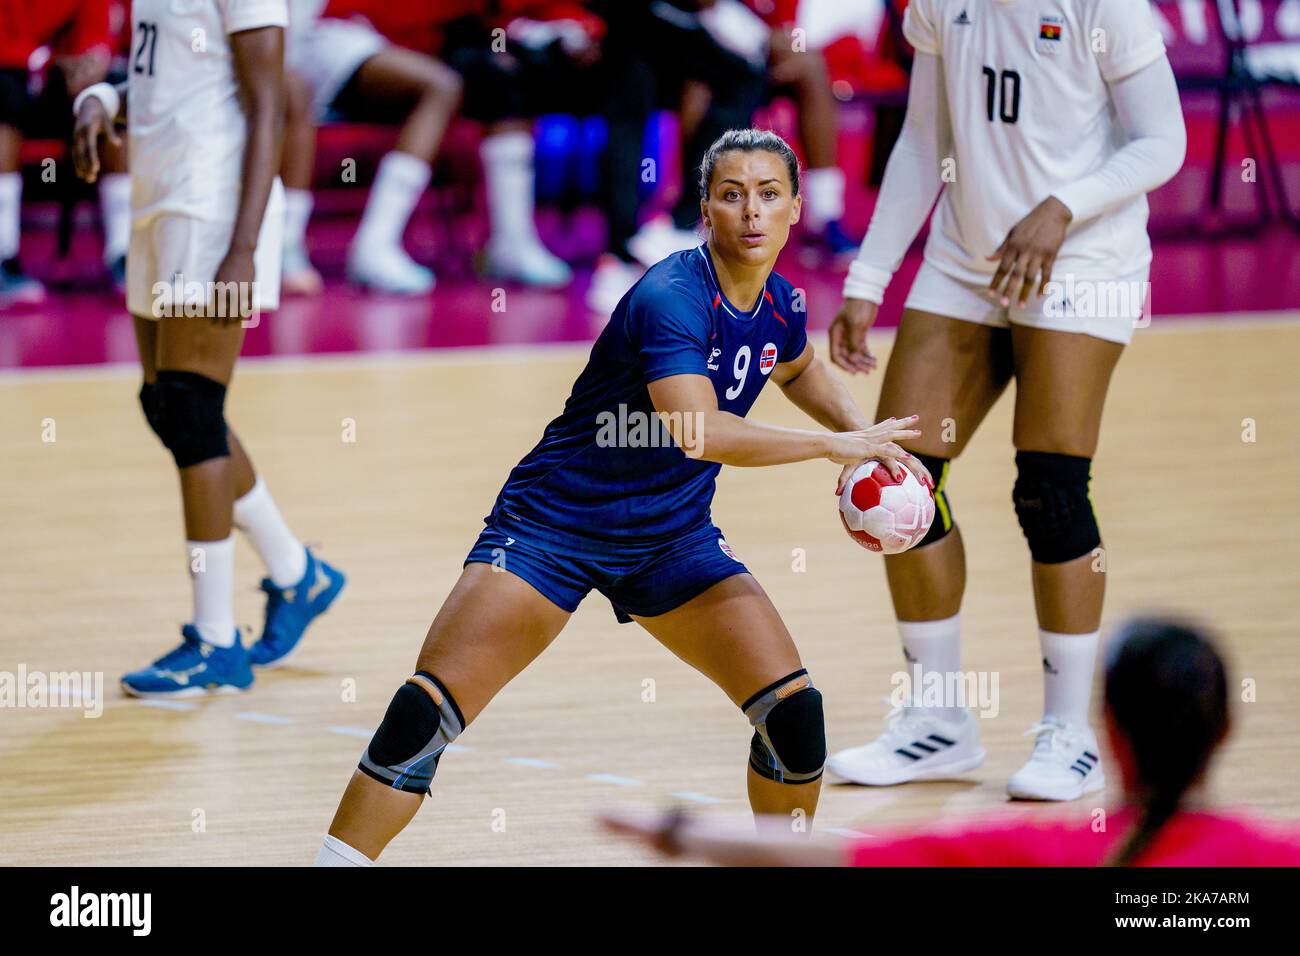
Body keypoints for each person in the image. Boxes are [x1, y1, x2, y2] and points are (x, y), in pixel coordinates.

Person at [313, 128, 931, 866]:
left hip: (672, 539)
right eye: (732, 195)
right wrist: (830, 449)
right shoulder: (670, 296)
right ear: (705, 208)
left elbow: (795, 366)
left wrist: (865, 435)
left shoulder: (782, 301)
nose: (752, 212)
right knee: (424, 720)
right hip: (555, 528)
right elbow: (700, 432)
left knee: (795, 720)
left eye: (769, 194)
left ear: (797, 206)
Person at [824, 0, 1187, 799]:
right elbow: (924, 142)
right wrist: (867, 279)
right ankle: (937, 719)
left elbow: (1165, 140)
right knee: (897, 480)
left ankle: (1069, 733)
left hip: (1085, 259)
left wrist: (1063, 209)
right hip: (964, 259)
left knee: (1050, 493)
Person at [71, 0, 345, 697]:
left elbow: (269, 106)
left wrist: (247, 246)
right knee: (167, 403)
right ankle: (295, 572)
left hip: (214, 209)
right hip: (156, 200)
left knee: (191, 408)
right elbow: (175, 84)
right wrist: (105, 97)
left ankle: (215, 641)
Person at [601, 617, 1300, 866]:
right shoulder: (1277, 856)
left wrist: (675, 831)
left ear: (1110, 733)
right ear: (1226, 730)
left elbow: (829, 856)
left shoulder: (1046, 851)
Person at [283, 0, 463, 294]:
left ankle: (377, 245)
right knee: (293, 92)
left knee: (442, 86)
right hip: (284, 36)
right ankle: (286, 244)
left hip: (346, 33)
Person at [0, 0, 116, 304]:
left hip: (49, 76)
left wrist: (89, 61)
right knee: (5, 90)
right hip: (12, 68)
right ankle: (3, 254)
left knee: (109, 95)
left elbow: (94, 33)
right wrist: (45, 58)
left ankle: (122, 252)